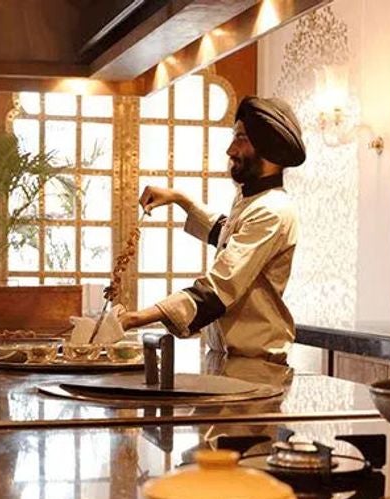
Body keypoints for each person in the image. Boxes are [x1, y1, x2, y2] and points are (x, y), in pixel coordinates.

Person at [121, 96, 306, 363]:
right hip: (228, 357)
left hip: (256, 365)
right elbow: (227, 236)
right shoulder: (251, 202)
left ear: (268, 147)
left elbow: (219, 288)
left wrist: (136, 318)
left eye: (241, 138)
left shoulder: (273, 209)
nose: (231, 150)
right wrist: (179, 198)